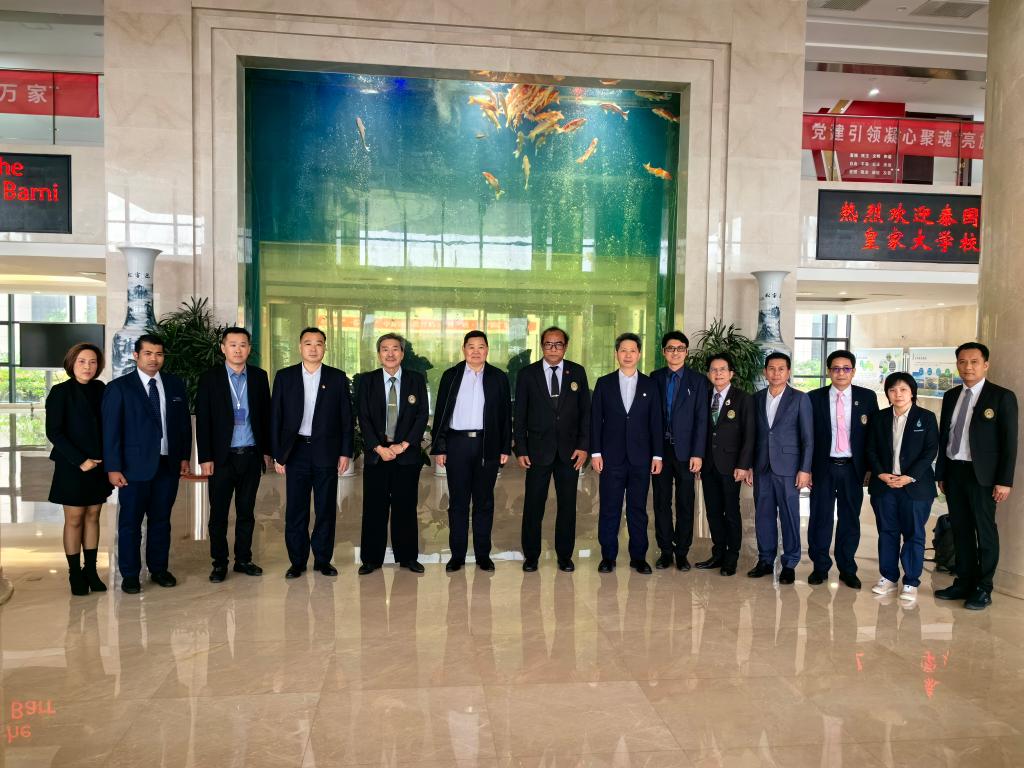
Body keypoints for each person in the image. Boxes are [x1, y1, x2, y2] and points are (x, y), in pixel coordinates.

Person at [102, 334, 192, 594]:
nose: (154, 359)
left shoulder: (174, 384)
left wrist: (183, 456)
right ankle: (130, 574)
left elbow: (183, 425)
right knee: (130, 522)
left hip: (168, 464)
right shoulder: (119, 387)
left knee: (161, 520)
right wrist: (113, 467)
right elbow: (110, 431)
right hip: (133, 467)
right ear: (136, 355)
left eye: (159, 354)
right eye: (148, 353)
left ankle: (159, 569)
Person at [934, 342, 1018, 610]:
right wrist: (942, 473)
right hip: (955, 471)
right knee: (961, 530)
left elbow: (1009, 443)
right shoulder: (951, 396)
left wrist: (1004, 481)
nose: (967, 367)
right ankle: (964, 581)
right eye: (962, 362)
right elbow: (945, 437)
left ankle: (983, 587)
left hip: (983, 477)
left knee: (985, 531)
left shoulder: (1001, 397)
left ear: (985, 365)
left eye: (973, 362)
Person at [271, 327, 354, 578]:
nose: (313, 348)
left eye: (319, 343)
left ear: (325, 347)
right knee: (296, 509)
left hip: (326, 451)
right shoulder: (285, 377)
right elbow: (276, 417)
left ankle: (322, 560)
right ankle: (297, 561)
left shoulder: (337, 377)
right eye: (308, 343)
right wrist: (278, 454)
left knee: (325, 508)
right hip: (295, 450)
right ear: (300, 347)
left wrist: (345, 452)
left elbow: (346, 419)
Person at [195, 327, 272, 583]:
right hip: (221, 458)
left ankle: (243, 559)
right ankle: (219, 563)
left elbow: (266, 417)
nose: (238, 349)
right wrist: (205, 457)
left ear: (249, 348)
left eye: (243, 345)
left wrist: (267, 451)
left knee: (246, 512)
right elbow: (203, 420)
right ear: (223, 348)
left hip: (250, 455)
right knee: (218, 514)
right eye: (233, 344)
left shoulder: (259, 377)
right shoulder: (210, 378)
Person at [431, 330, 511, 572]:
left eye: (481, 347)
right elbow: (441, 413)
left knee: (484, 502)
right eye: (471, 346)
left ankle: (483, 555)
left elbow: (505, 415)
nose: (476, 351)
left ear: (487, 350)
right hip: (457, 443)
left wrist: (504, 446)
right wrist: (440, 446)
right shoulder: (451, 375)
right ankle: (457, 555)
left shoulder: (498, 377)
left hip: (487, 444)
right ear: (463, 349)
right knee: (458, 502)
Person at [514, 326, 591, 573]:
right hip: (537, 451)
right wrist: (521, 448)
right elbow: (519, 415)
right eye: (548, 344)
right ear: (542, 346)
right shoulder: (527, 374)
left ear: (565, 347)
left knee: (567, 506)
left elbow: (586, 414)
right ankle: (531, 556)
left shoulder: (577, 372)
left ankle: (565, 556)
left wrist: (583, 446)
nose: (553, 348)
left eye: (558, 344)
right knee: (533, 505)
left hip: (570, 452)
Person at [356, 333, 429, 575]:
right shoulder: (367, 381)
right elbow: (363, 417)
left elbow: (422, 415)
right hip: (377, 454)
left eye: (395, 349)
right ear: (379, 354)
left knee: (405, 507)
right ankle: (371, 559)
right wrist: (379, 448)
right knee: (374, 508)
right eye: (385, 349)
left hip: (405, 455)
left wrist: (403, 445)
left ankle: (407, 557)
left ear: (402, 353)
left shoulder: (416, 380)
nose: (390, 353)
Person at [590, 333, 663, 574]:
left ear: (639, 354)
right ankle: (608, 556)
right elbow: (595, 420)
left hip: (641, 458)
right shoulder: (604, 383)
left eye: (632, 350)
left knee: (637, 509)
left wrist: (657, 455)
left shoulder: (650, 385)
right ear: (616, 354)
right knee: (609, 508)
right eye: (623, 350)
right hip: (611, 457)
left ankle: (638, 557)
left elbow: (656, 422)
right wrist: (596, 453)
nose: (628, 355)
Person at [807, 350, 879, 589]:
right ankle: (820, 567)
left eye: (846, 368)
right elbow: (806, 437)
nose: (841, 373)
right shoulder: (814, 398)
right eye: (835, 368)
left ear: (853, 371)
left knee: (850, 520)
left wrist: (870, 469)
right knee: (820, 518)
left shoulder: (867, 397)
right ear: (829, 371)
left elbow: (873, 436)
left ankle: (847, 568)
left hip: (852, 469)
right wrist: (806, 469)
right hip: (823, 467)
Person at [46, 343, 113, 595]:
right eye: (82, 361)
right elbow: (54, 432)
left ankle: (91, 570)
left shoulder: (101, 389)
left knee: (93, 516)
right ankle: (75, 573)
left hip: (98, 465)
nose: (88, 367)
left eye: (93, 362)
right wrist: (80, 460)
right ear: (72, 363)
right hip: (72, 465)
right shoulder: (60, 392)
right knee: (74, 519)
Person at [865, 372, 938, 602]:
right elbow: (870, 449)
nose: (898, 394)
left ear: (912, 392)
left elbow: (930, 450)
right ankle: (888, 577)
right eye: (893, 390)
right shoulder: (879, 418)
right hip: (885, 485)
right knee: (887, 532)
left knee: (914, 534)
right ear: (887, 393)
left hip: (915, 487)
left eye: (903, 389)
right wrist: (880, 473)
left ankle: (911, 581)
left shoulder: (926, 417)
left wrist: (910, 476)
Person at [748, 352, 813, 585]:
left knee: (789, 516)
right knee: (763, 516)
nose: (776, 373)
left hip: (789, 468)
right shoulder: (756, 398)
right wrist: (748, 466)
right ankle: (765, 560)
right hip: (762, 466)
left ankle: (790, 563)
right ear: (765, 372)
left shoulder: (800, 398)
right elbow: (751, 436)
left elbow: (808, 438)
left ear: (788, 372)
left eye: (781, 369)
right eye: (771, 369)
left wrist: (805, 469)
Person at [649, 331, 709, 571]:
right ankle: (665, 551)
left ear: (686, 352)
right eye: (671, 348)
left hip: (686, 453)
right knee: (661, 501)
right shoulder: (654, 378)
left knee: (685, 503)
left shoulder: (698, 381)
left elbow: (702, 419)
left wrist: (698, 453)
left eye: (680, 348)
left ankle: (682, 552)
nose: (675, 352)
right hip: (660, 452)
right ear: (663, 352)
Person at [698, 353, 754, 576]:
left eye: (722, 369)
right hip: (708, 465)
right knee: (713, 511)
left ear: (731, 373)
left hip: (731, 466)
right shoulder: (703, 396)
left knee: (731, 511)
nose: (718, 373)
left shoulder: (743, 398)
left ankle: (732, 556)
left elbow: (749, 435)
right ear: (708, 374)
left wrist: (744, 465)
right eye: (714, 370)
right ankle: (718, 552)